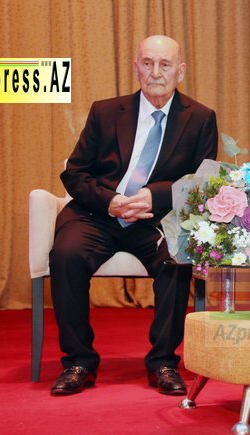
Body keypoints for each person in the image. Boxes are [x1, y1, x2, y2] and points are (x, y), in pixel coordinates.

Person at [49, 35, 218, 396]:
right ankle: (78, 362)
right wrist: (110, 201)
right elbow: (74, 173)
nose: (156, 72)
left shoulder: (201, 118)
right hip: (96, 214)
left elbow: (203, 183)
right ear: (136, 67)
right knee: (66, 254)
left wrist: (156, 195)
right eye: (147, 63)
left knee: (176, 258)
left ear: (180, 71)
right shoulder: (106, 112)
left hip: (156, 219)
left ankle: (163, 363)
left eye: (165, 64)